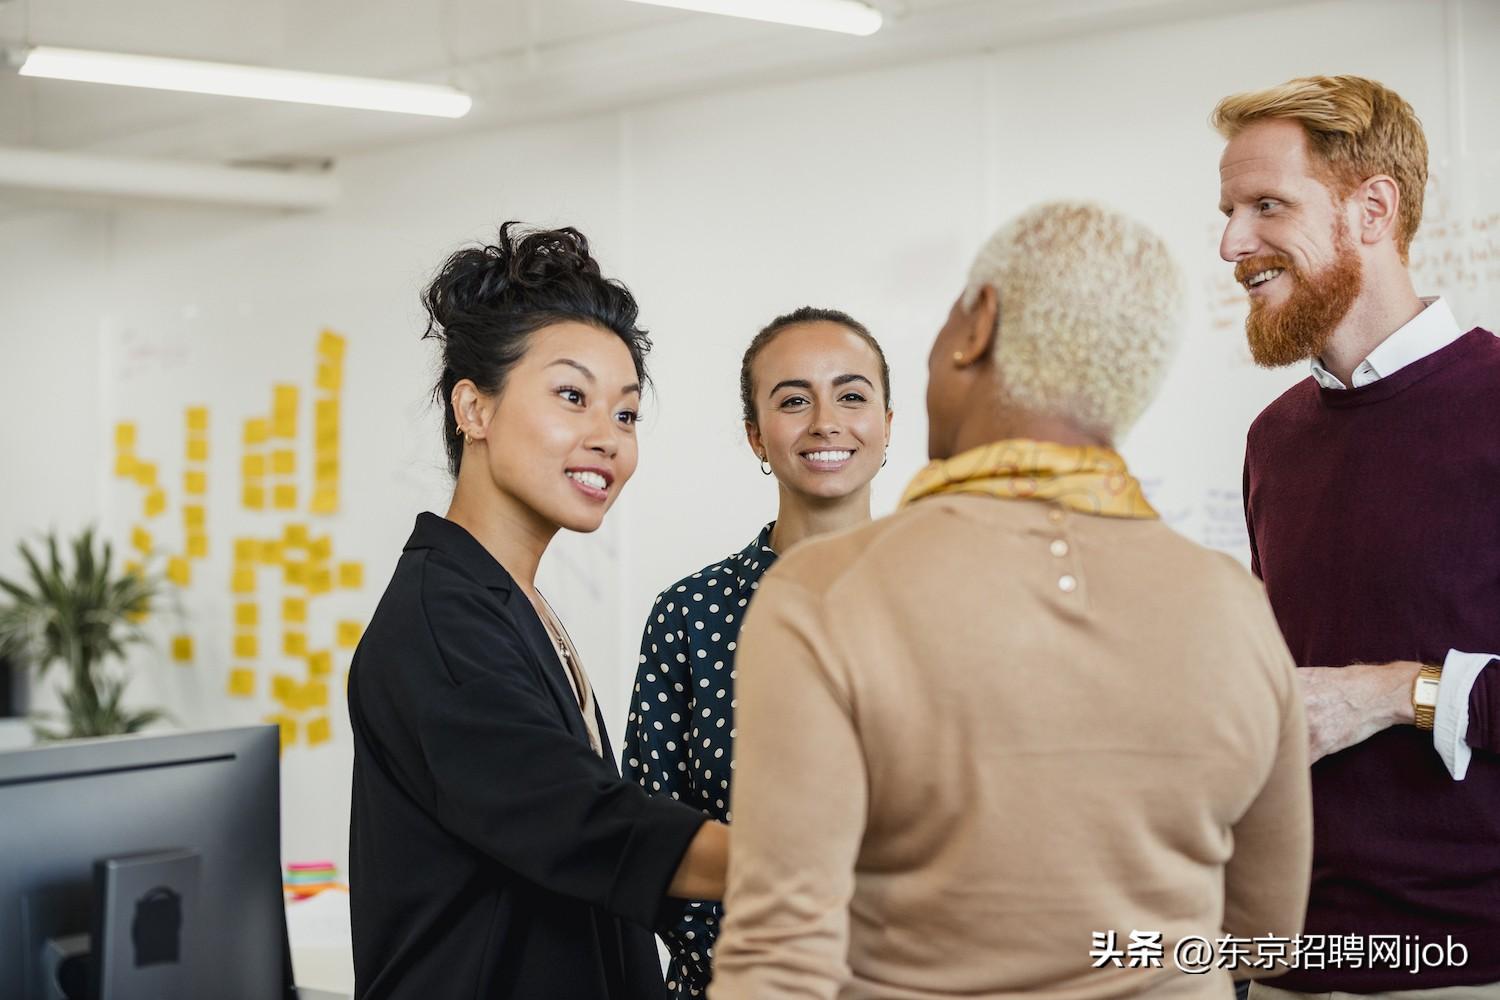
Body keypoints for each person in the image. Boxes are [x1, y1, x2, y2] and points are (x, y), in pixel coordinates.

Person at [711, 201, 1313, 998]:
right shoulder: (1233, 607)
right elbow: (1266, 938)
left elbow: (779, 962)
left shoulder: (823, 594)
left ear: (977, 323)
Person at [347, 223, 728, 1000]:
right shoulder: (440, 626)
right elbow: (585, 824)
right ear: (474, 409)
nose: (607, 439)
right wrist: (841, 864)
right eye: (570, 396)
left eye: (625, 415)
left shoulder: (507, 599)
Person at [1215, 75, 1500, 994]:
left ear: (1372, 208)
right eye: (1227, 211)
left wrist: (1396, 694)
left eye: (1267, 205)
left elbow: (1353, 696)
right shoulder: (1275, 440)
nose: (1231, 244)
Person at [624, 306, 892, 998]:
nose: (826, 422)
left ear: (887, 426)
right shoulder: (690, 616)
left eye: (852, 395)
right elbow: (648, 836)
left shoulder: (950, 601)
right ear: (756, 436)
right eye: (794, 400)